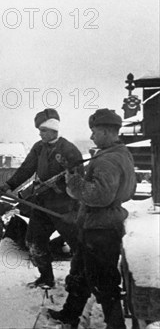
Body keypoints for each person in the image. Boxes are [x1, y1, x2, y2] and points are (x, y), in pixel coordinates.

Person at [48, 109, 136, 329]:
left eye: (94, 132)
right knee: (81, 273)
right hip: (100, 224)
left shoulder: (108, 160)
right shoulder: (120, 154)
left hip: (101, 229)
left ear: (106, 132)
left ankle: (116, 326)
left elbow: (98, 196)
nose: (91, 137)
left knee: (104, 282)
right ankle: (70, 314)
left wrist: (74, 182)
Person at [0, 108, 82, 288]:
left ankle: (82, 282)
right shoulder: (39, 148)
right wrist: (8, 185)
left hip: (64, 208)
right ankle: (46, 278)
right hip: (42, 205)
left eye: (43, 130)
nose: (40, 134)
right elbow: (26, 169)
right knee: (34, 242)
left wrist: (62, 193)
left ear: (53, 129)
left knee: (79, 247)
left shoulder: (70, 151)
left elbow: (79, 182)